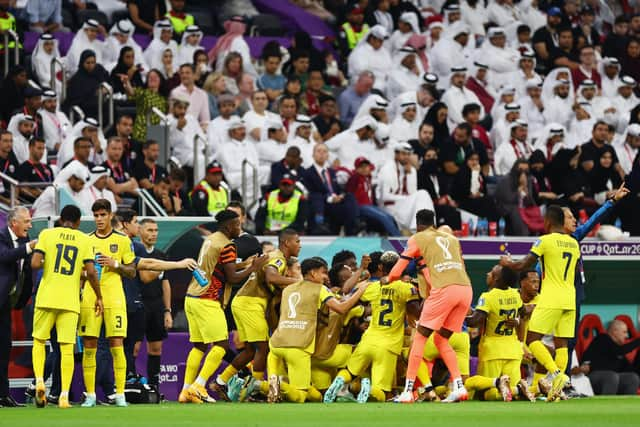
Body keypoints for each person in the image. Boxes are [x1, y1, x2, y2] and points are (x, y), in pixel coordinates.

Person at [80, 199, 197, 407]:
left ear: (110, 216)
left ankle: (120, 394)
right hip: (91, 298)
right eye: (96, 216)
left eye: (102, 215)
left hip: (116, 298)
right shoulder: (86, 240)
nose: (99, 219)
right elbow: (80, 272)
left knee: (118, 345)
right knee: (91, 345)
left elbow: (133, 270)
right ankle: (90, 395)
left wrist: (114, 264)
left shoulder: (123, 241)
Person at [179, 210, 267, 403]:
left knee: (199, 346)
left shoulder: (211, 239)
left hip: (192, 296)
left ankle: (185, 391)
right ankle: (199, 386)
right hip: (208, 300)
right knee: (221, 345)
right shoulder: (228, 245)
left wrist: (244, 264)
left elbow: (219, 267)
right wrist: (254, 267)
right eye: (237, 225)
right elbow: (232, 278)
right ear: (228, 226)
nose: (239, 228)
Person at [387, 209, 473, 403]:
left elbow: (396, 271)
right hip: (465, 289)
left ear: (417, 225)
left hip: (444, 290)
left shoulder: (417, 238)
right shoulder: (451, 239)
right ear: (433, 223)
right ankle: (459, 386)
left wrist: (388, 279)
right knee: (442, 340)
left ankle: (408, 391)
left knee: (420, 337)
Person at [499, 206, 581, 402]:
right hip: (570, 297)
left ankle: (556, 374)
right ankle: (557, 390)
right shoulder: (574, 244)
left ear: (548, 222)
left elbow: (525, 264)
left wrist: (508, 263)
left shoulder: (545, 240)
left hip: (552, 296)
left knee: (532, 338)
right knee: (562, 345)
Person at [267, 257, 370, 403]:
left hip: (276, 343)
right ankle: (268, 386)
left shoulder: (288, 289)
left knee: (316, 396)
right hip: (299, 346)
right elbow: (341, 308)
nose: (326, 277)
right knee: (300, 396)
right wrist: (360, 291)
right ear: (313, 273)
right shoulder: (319, 289)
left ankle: (270, 383)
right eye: (323, 272)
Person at [216, 228, 302, 400]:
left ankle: (221, 381)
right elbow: (272, 277)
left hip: (243, 302)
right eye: (297, 241)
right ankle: (254, 389)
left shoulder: (273, 256)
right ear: (287, 243)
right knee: (263, 348)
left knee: (249, 350)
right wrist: (299, 282)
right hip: (249, 304)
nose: (300, 245)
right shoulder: (278, 258)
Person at [324, 251, 420, 403]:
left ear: (381, 267)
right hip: (388, 346)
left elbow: (346, 290)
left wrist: (361, 270)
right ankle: (369, 390)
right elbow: (416, 310)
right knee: (381, 390)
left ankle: (340, 382)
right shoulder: (405, 288)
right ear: (400, 268)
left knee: (350, 371)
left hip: (368, 340)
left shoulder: (372, 287)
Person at [30, 205, 101, 409]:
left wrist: (49, 264)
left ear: (61, 219)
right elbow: (91, 272)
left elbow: (35, 263)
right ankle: (63, 395)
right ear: (78, 222)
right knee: (66, 348)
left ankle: (40, 381)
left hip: (46, 297)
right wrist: (99, 296)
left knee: (39, 341)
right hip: (70, 301)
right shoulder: (84, 240)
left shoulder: (47, 234)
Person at [464, 264, 533, 402]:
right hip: (513, 350)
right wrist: (518, 321)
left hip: (492, 351)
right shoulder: (515, 294)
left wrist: (455, 314)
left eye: (491, 273)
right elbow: (525, 312)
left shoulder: (488, 297)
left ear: (496, 279)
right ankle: (526, 388)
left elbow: (475, 321)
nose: (487, 274)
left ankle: (518, 388)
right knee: (510, 393)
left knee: (486, 393)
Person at [0, 207, 35, 407]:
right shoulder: (1, 236)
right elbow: (4, 256)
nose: (30, 225)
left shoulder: (24, 239)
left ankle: (3, 395)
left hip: (6, 303)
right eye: (27, 221)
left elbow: (27, 268)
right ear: (14, 222)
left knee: (4, 348)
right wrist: (29, 247)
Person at [136, 218, 174, 387]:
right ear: (140, 232)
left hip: (156, 305)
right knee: (134, 348)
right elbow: (144, 278)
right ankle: (131, 385)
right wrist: (162, 267)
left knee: (156, 348)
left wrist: (167, 310)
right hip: (138, 304)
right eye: (149, 230)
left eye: (156, 230)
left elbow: (165, 284)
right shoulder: (135, 253)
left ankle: (154, 387)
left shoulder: (161, 255)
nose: (153, 234)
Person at [303, 143, 359, 235]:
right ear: (313, 155)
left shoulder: (332, 172)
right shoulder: (308, 172)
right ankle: (320, 223)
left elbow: (337, 189)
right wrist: (330, 198)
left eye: (324, 151)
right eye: (319, 151)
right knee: (316, 197)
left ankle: (354, 226)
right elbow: (312, 192)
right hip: (321, 203)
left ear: (328, 155)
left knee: (350, 197)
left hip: (335, 203)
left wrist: (340, 195)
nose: (321, 154)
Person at [376, 142, 433, 231]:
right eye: (403, 154)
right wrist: (406, 198)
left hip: (404, 207)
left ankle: (424, 228)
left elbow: (413, 194)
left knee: (423, 194)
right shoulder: (386, 169)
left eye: (408, 154)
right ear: (396, 154)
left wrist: (408, 175)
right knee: (422, 194)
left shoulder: (412, 171)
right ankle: (420, 229)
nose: (406, 157)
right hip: (389, 207)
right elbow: (384, 197)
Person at [582, 319, 640, 395]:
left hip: (613, 378)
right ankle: (606, 406)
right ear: (614, 331)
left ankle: (626, 406)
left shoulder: (618, 349)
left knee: (632, 378)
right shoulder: (602, 339)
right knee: (611, 376)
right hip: (591, 377)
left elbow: (630, 369)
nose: (627, 336)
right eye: (624, 332)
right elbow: (618, 351)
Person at [346, 156, 400, 236]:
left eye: (366, 166)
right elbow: (349, 193)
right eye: (361, 167)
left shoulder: (368, 178)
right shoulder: (355, 178)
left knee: (389, 217)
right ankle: (399, 239)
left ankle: (395, 237)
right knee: (383, 217)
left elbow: (373, 168)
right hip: (360, 206)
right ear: (356, 169)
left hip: (370, 206)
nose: (364, 169)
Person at [64, 50, 109, 120]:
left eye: (93, 62)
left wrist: (105, 89)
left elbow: (108, 80)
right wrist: (94, 94)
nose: (91, 65)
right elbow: (76, 101)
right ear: (82, 63)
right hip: (85, 109)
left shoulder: (99, 70)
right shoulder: (77, 79)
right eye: (88, 63)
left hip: (101, 104)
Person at [347, 25, 392, 95]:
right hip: (366, 83)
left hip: (383, 82)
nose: (381, 44)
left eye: (382, 41)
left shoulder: (384, 52)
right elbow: (361, 71)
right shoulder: (360, 51)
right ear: (372, 39)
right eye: (379, 41)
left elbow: (389, 68)